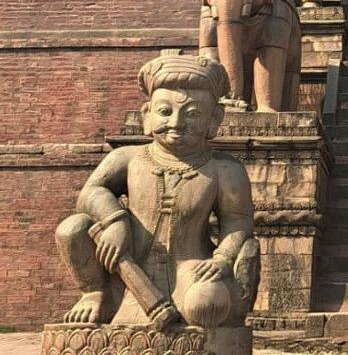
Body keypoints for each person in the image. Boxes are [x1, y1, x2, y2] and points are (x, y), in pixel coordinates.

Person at [54, 52, 259, 327]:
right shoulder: (127, 158)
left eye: (193, 114)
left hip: (190, 265)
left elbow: (238, 221)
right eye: (165, 111)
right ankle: (95, 294)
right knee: (73, 228)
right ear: (147, 115)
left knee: (206, 305)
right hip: (123, 264)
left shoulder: (224, 169)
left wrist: (222, 259)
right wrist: (115, 221)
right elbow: (91, 192)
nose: (176, 123)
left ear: (214, 119)